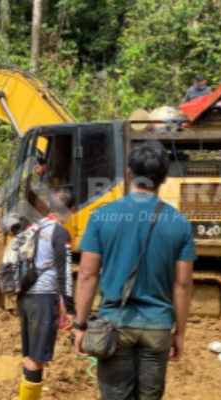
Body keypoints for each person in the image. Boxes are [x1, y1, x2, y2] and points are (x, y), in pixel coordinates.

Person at [74, 140, 197, 400]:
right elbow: (183, 285)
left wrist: (80, 325)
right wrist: (180, 333)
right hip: (158, 327)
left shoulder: (101, 216)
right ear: (164, 177)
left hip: (114, 325)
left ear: (128, 174)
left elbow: (86, 275)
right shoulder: (180, 223)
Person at [17, 189, 76, 400]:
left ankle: (29, 394)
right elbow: (65, 275)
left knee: (32, 355)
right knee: (37, 357)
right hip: (42, 298)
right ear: (71, 210)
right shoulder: (60, 233)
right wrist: (70, 309)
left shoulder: (33, 227)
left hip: (24, 297)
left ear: (49, 207)